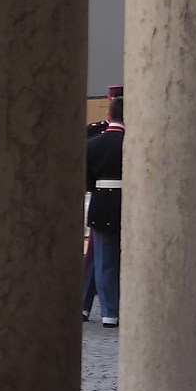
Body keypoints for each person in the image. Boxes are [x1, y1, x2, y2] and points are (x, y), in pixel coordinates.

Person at [86, 86, 124, 326]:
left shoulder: (93, 142)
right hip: (127, 203)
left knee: (102, 260)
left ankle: (110, 312)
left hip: (101, 201)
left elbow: (86, 178)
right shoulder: (131, 141)